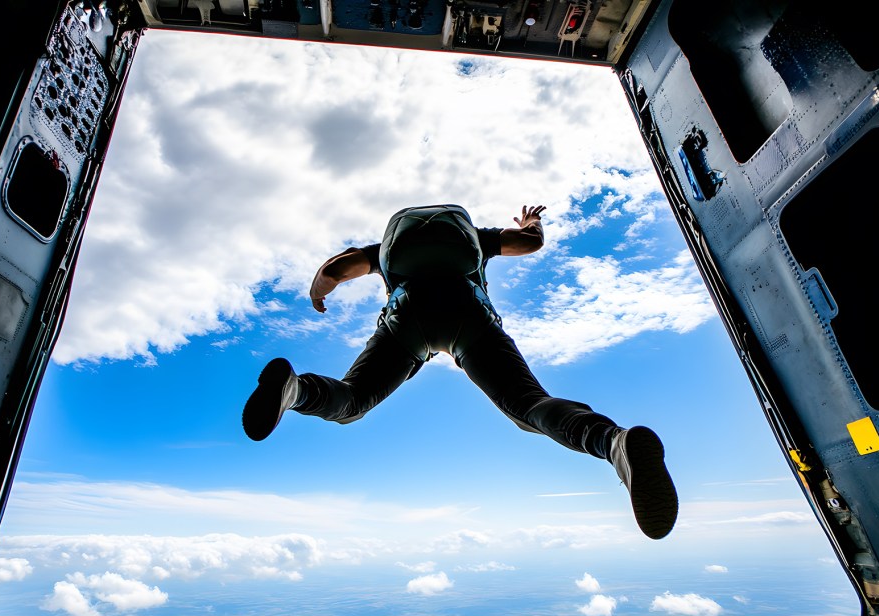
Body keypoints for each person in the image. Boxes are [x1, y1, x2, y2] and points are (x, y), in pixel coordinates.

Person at [242, 204, 679, 539]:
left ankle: (294, 390)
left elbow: (335, 271)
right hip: (470, 316)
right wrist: (532, 223)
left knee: (353, 399)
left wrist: (319, 292)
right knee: (530, 406)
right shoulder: (480, 239)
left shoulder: (380, 253)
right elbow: (530, 244)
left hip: (406, 319)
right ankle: (614, 443)